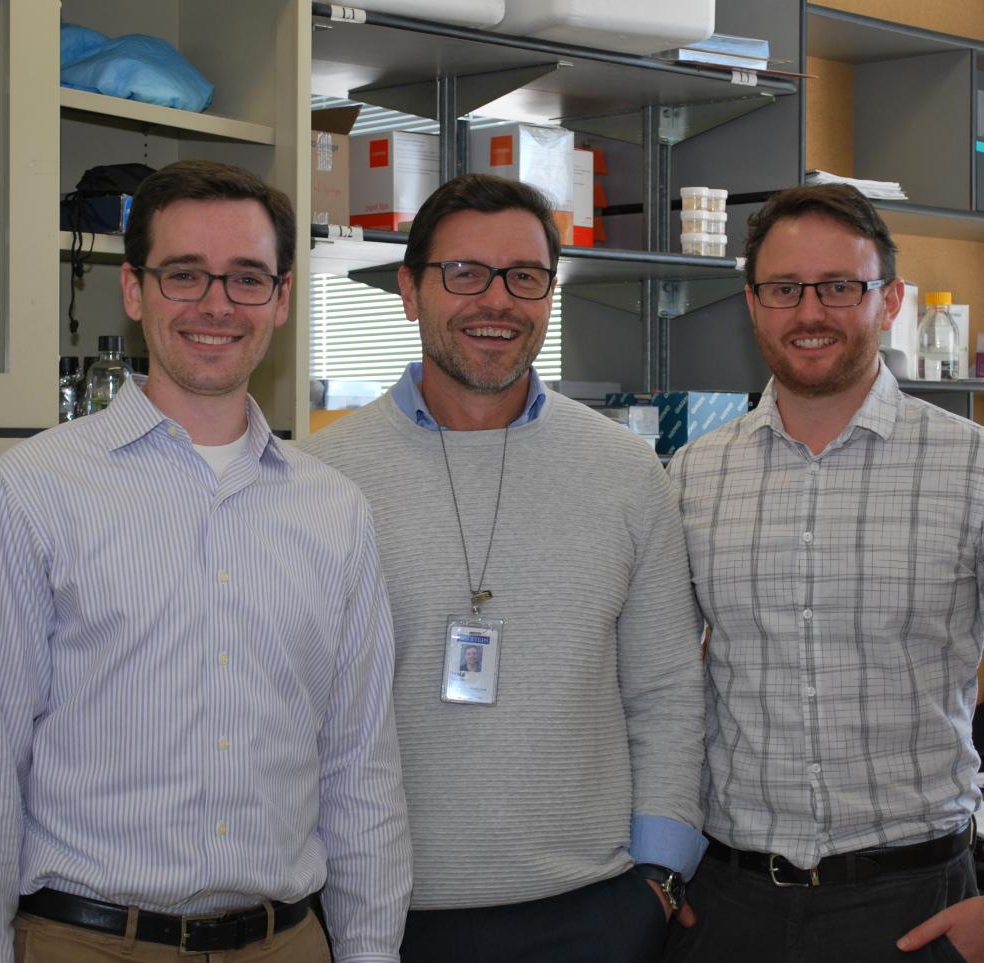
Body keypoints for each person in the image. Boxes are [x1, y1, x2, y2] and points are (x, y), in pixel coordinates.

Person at [0, 160, 411, 963]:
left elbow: (361, 771)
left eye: (247, 278)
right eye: (185, 274)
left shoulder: (336, 511)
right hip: (88, 943)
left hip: (287, 943)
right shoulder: (31, 490)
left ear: (282, 298)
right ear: (134, 289)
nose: (216, 305)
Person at [663, 184, 984, 963]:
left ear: (890, 300)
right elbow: (658, 688)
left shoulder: (982, 470)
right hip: (728, 902)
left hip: (910, 907)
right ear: (753, 303)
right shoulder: (694, 475)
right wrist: (661, 863)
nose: (810, 312)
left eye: (839, 286)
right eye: (784, 288)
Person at [302, 173, 705, 963]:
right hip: (377, 916)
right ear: (409, 291)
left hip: (592, 914)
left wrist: (659, 877)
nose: (497, 300)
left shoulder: (628, 472)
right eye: (465, 273)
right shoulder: (321, 478)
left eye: (524, 276)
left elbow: (666, 691)